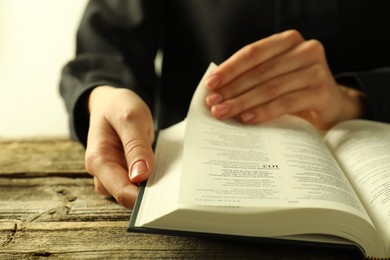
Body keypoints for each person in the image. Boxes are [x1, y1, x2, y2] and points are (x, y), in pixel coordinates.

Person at [60, 0, 390, 208]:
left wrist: (355, 97)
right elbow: (108, 43)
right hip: (190, 174)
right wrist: (103, 95)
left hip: (369, 158)